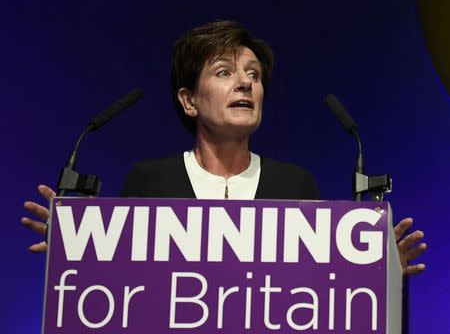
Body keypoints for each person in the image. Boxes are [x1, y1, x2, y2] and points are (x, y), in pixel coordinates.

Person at [21, 20, 426, 275]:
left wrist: (379, 273)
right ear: (189, 100)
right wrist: (78, 250)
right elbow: (125, 290)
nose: (246, 83)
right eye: (224, 72)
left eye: (254, 74)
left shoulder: (295, 184)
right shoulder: (150, 179)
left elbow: (322, 294)